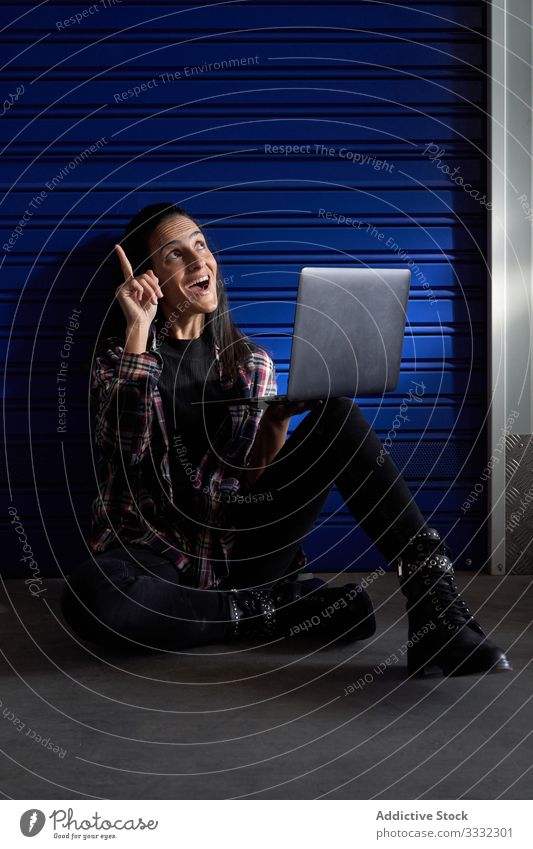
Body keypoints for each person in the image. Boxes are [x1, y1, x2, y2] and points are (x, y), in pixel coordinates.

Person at [60, 202, 512, 678]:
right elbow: (126, 454)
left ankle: (437, 603)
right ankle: (271, 609)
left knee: (336, 413)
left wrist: (275, 424)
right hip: (157, 554)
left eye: (201, 245)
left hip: (243, 547)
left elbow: (252, 479)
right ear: (150, 277)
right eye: (176, 255)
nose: (199, 261)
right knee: (95, 598)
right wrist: (139, 327)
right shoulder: (121, 359)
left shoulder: (251, 362)